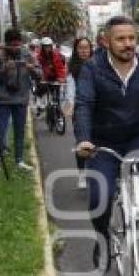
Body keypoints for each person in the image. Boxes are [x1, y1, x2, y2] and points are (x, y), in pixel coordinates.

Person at [74, 16, 139, 269]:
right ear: (107, 41)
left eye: (131, 38)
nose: (127, 44)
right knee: (101, 197)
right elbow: (83, 106)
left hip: (136, 138)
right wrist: (84, 139)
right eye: (120, 39)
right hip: (102, 143)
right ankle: (102, 238)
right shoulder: (92, 68)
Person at [0, 28, 39, 171]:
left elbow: (39, 74)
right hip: (3, 99)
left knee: (19, 130)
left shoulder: (27, 54)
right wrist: (4, 69)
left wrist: (31, 69)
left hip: (21, 99)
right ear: (6, 43)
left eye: (17, 44)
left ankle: (19, 160)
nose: (15, 48)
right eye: (12, 45)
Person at [63, 36, 93, 189]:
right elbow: (70, 89)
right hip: (80, 110)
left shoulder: (98, 65)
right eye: (81, 48)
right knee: (82, 143)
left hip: (97, 110)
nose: (84, 51)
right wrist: (70, 106)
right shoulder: (73, 67)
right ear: (76, 50)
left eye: (86, 48)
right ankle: (82, 175)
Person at [35, 37, 66, 117]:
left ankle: (58, 114)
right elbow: (38, 68)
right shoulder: (39, 56)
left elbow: (60, 68)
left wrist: (61, 78)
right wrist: (41, 77)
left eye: (48, 46)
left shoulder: (55, 55)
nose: (47, 48)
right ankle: (40, 108)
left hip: (56, 78)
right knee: (41, 92)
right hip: (44, 79)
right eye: (45, 46)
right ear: (42, 47)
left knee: (57, 97)